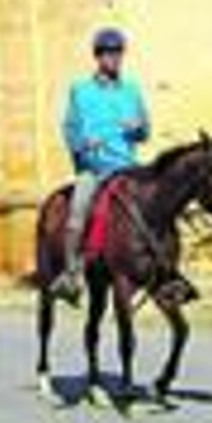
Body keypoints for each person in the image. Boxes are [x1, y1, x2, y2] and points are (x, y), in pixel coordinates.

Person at [52, 27, 152, 304]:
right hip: (94, 170)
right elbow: (69, 129)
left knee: (158, 203)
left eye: (118, 53)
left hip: (127, 167)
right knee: (77, 213)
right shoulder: (80, 91)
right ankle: (71, 276)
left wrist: (138, 127)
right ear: (98, 57)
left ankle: (166, 272)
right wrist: (83, 145)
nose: (115, 58)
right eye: (109, 53)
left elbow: (145, 131)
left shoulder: (132, 90)